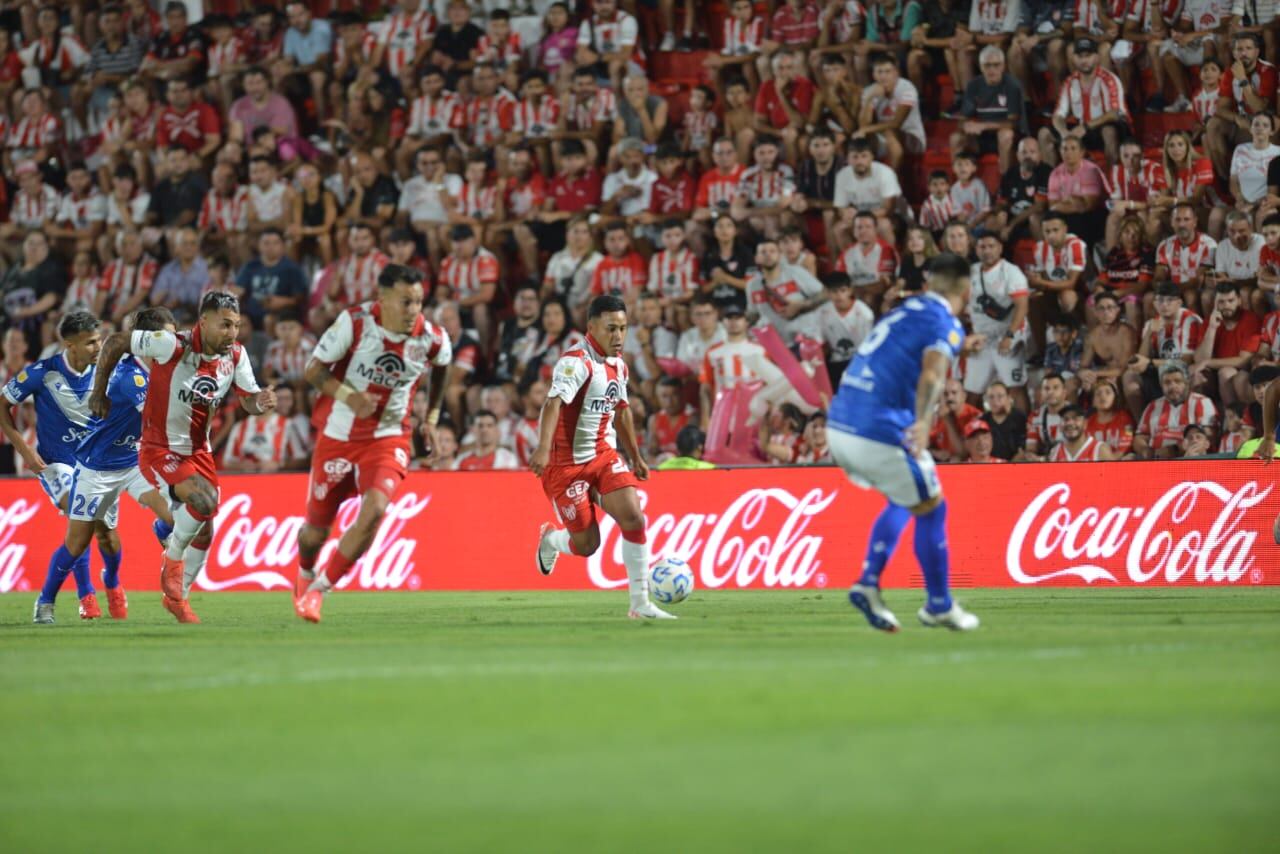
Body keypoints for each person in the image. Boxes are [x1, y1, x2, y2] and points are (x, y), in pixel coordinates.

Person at [90, 291, 277, 624]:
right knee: (203, 502)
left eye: (236, 325)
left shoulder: (235, 355)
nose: (232, 333)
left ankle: (178, 598)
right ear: (203, 322)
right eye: (224, 325)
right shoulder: (170, 345)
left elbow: (248, 400)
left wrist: (259, 402)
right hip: (159, 448)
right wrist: (98, 392)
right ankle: (172, 560)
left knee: (205, 530)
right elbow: (117, 341)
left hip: (199, 452)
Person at [830, 252, 980, 633]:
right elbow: (933, 373)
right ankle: (939, 605)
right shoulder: (944, 321)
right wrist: (924, 420)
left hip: (840, 423)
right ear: (966, 287)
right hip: (876, 428)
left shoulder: (904, 310)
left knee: (908, 497)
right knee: (932, 508)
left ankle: (869, 583)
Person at [294, 265, 452, 623]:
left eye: (418, 301)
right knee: (314, 532)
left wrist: (431, 419)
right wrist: (349, 397)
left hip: (389, 436)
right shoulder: (355, 323)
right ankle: (304, 571)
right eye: (405, 301)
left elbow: (443, 366)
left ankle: (319, 590)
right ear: (382, 298)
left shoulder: (432, 337)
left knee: (376, 509)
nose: (414, 309)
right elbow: (313, 370)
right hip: (338, 435)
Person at [531, 294, 674, 620]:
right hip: (565, 466)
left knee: (634, 518)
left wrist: (635, 457)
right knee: (587, 545)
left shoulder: (618, 365)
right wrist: (541, 448)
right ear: (591, 326)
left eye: (623, 329)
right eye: (611, 329)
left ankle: (640, 604)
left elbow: (621, 412)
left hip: (602, 455)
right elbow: (553, 403)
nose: (618, 337)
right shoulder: (575, 362)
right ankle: (552, 540)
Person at [45, 308, 178, 623]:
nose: (173, 343)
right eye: (167, 336)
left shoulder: (163, 367)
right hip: (96, 464)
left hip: (133, 461)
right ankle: (54, 600)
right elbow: (161, 421)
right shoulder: (129, 375)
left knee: (180, 517)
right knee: (87, 538)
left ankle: (117, 576)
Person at [0, 312, 105, 621]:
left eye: (99, 340)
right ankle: (85, 596)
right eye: (90, 342)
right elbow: (2, 405)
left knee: (102, 534)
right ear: (70, 345)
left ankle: (100, 588)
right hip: (55, 463)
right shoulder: (42, 373)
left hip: (94, 465)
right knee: (79, 518)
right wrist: (26, 452)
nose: (98, 347)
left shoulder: (105, 373)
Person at [964, 231, 1031, 413]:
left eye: (991, 246)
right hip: (982, 338)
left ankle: (1023, 431)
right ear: (976, 249)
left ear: (1000, 248)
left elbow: (1022, 307)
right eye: (982, 247)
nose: (987, 251)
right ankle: (973, 430)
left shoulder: (1011, 272)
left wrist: (1009, 335)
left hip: (1007, 336)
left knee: (1015, 386)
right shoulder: (971, 272)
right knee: (971, 390)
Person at [1132, 362, 1218, 459]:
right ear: (1161, 385)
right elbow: (1140, 437)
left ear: (1186, 383)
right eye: (1167, 382)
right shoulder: (1153, 406)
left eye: (1177, 381)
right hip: (1156, 460)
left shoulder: (1202, 402)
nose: (1172, 386)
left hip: (1188, 458)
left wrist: (1175, 449)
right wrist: (1146, 450)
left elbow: (1209, 436)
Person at [1049, 404, 1116, 461]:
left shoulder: (1100, 450)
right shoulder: (1054, 452)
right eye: (1066, 419)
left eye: (1075, 419)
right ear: (1060, 426)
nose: (1070, 423)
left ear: (1085, 424)